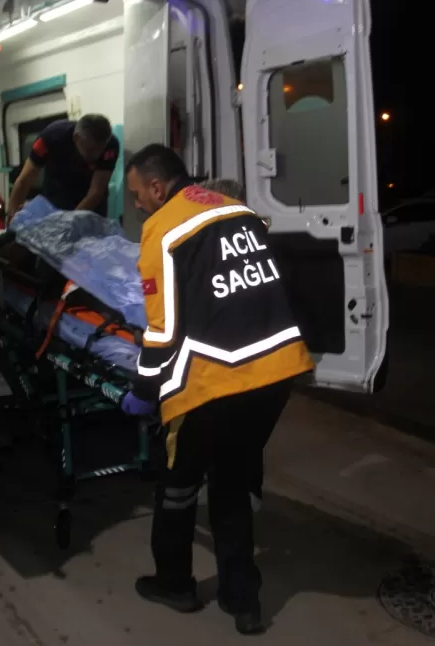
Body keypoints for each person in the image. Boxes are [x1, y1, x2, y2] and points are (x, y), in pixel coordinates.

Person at [120, 144, 314, 635]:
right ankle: (242, 601)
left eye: (137, 194)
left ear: (157, 187)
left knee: (178, 485)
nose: (137, 203)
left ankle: (175, 584)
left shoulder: (163, 229)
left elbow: (162, 331)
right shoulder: (239, 212)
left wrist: (144, 389)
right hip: (277, 373)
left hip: (215, 381)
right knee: (231, 482)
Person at [6, 114, 119, 220]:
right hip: (57, 193)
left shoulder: (111, 145)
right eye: (91, 150)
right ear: (76, 138)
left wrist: (69, 221)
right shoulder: (50, 137)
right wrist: (12, 215)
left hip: (90, 202)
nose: (96, 155)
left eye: (100, 150)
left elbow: (96, 191)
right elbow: (24, 180)